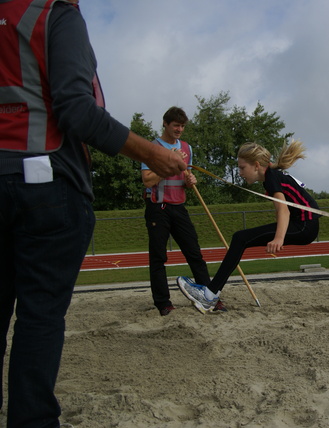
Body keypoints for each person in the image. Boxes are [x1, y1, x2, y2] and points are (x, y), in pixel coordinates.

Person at [0, 1, 187, 427]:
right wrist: (152, 154)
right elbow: (76, 109)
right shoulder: (56, 14)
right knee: (40, 316)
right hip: (45, 182)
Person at [177, 140, 320, 312]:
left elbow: (283, 210)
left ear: (256, 165)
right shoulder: (271, 172)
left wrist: (278, 238)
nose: (240, 173)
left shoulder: (271, 178)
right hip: (303, 224)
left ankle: (209, 295)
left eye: (242, 168)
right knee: (240, 238)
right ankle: (210, 293)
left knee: (240, 238)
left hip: (305, 226)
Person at [141, 107, 211, 315]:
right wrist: (169, 163)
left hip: (179, 207)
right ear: (165, 123)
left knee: (195, 254)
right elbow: (147, 180)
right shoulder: (151, 148)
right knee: (158, 257)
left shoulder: (187, 148)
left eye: (182, 126)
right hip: (157, 207)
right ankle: (163, 303)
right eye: (175, 125)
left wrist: (190, 180)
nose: (179, 129)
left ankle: (208, 296)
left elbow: (185, 177)